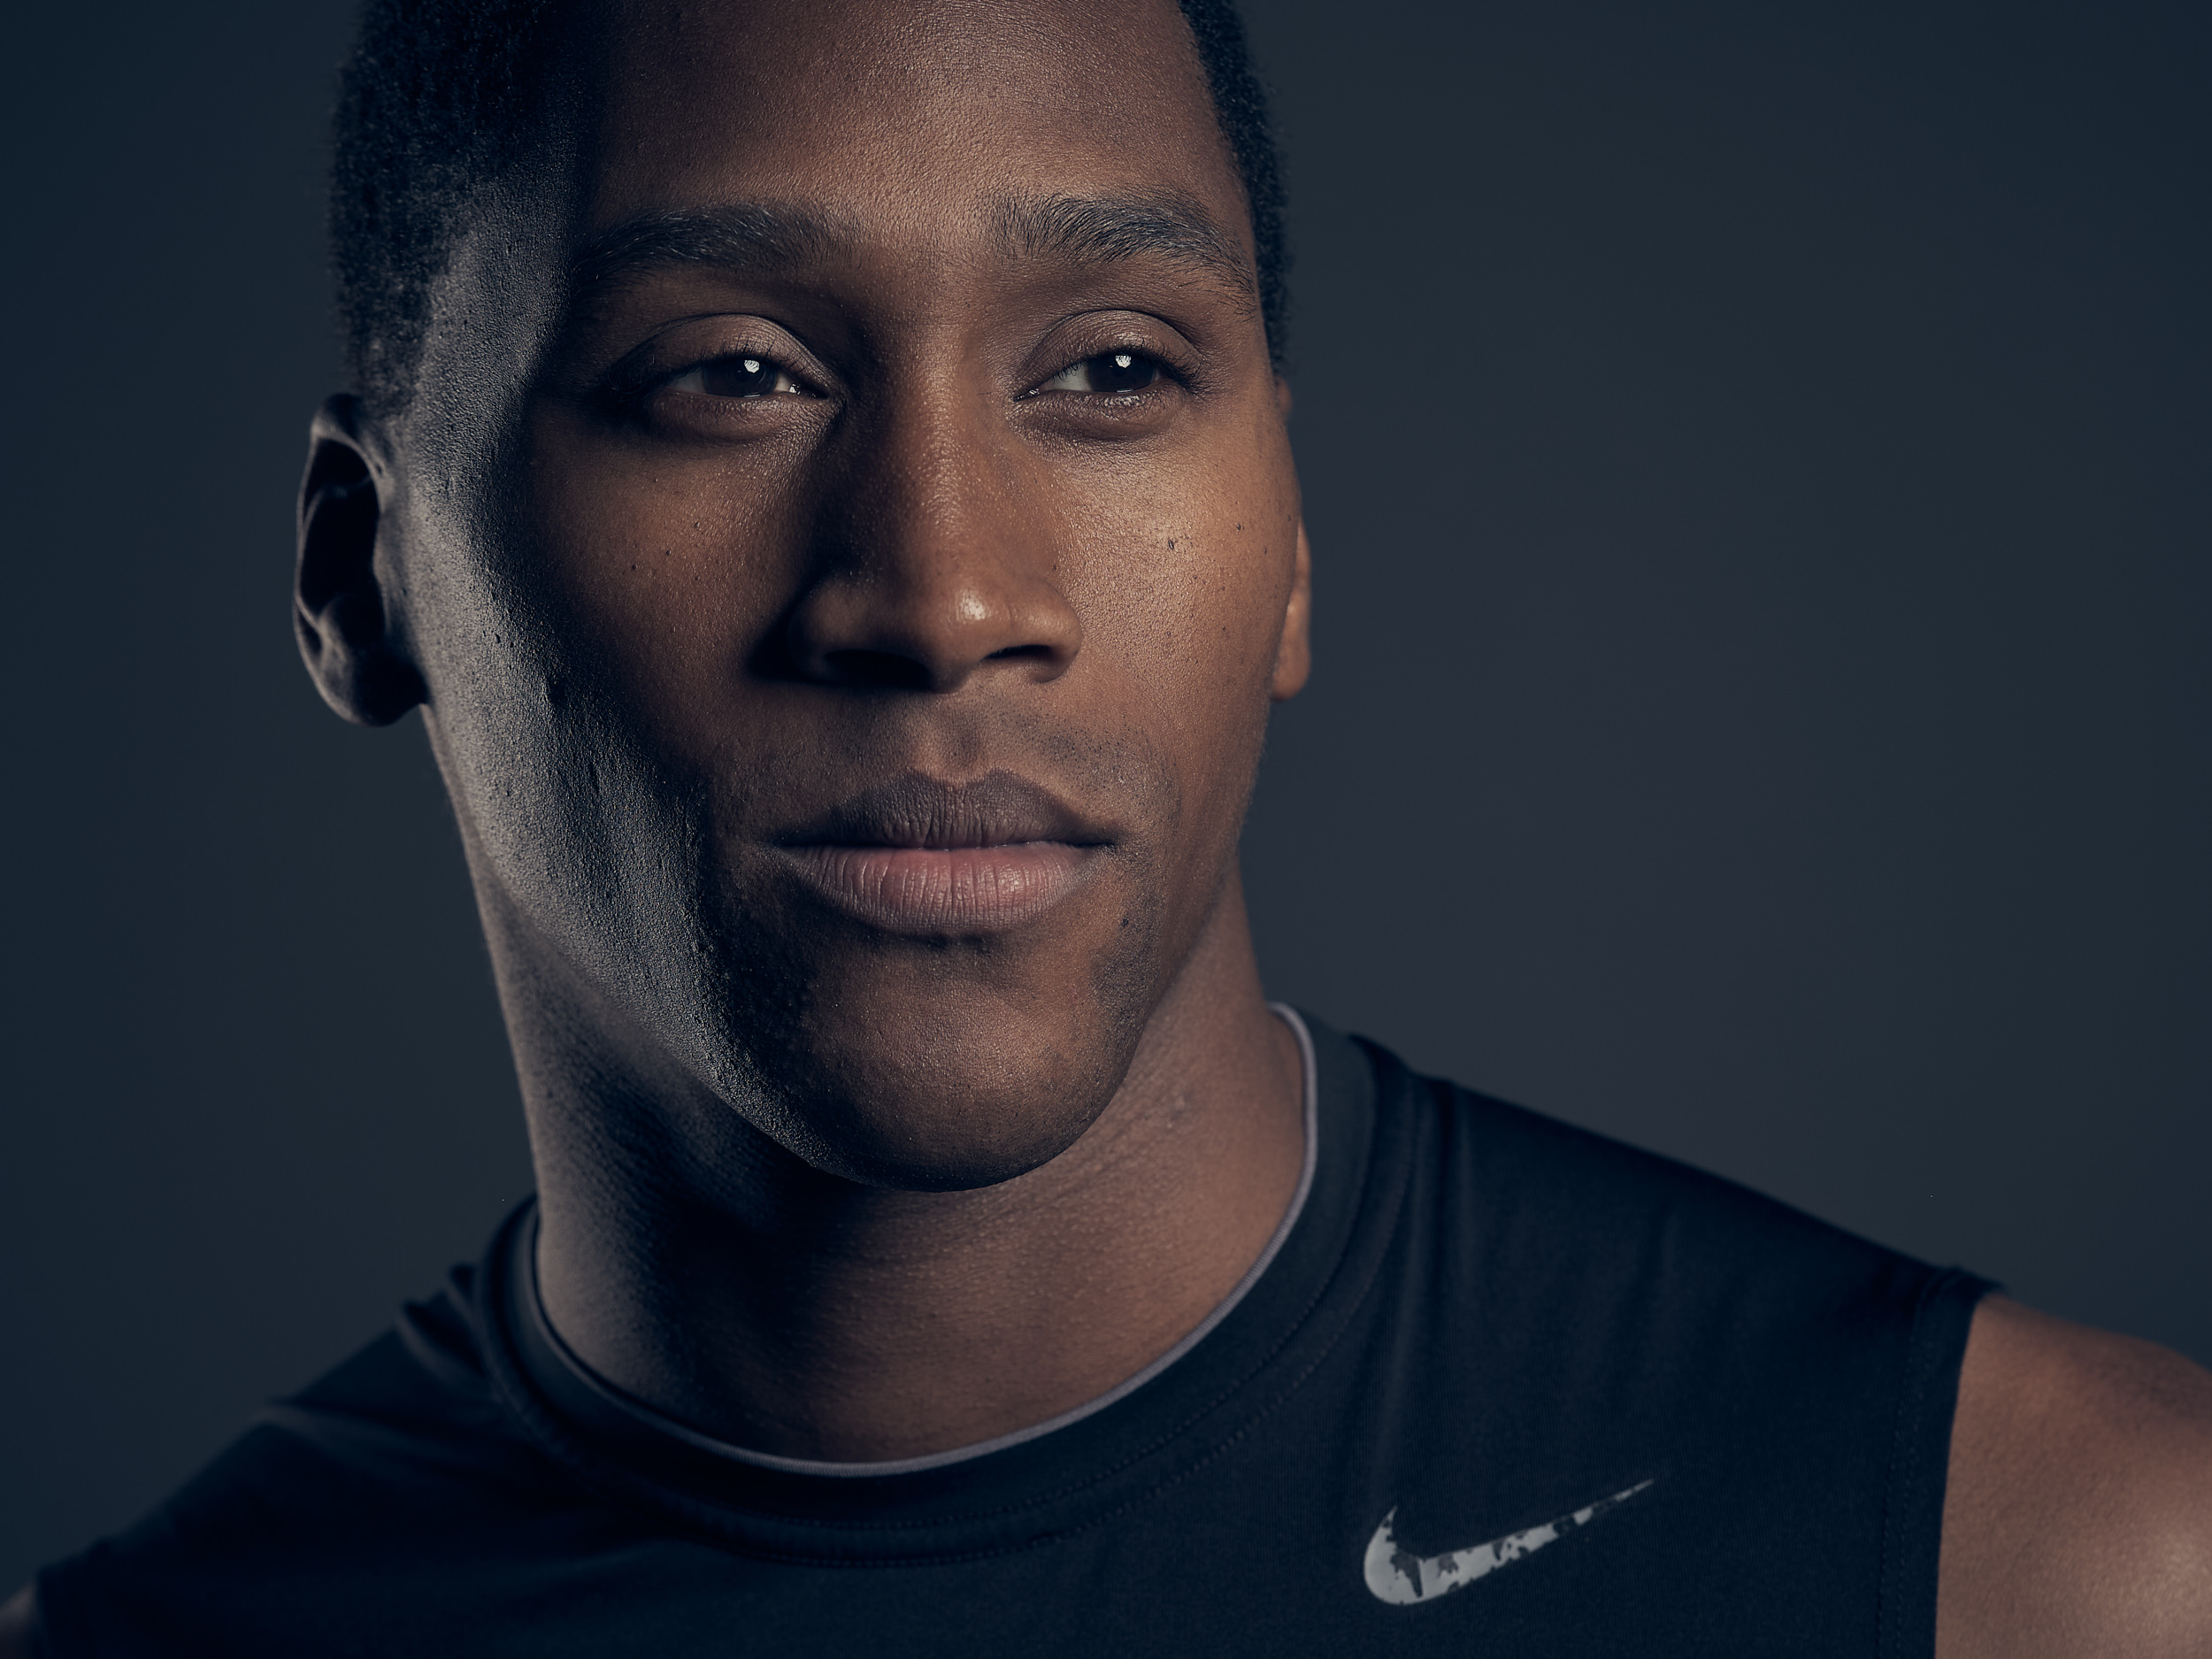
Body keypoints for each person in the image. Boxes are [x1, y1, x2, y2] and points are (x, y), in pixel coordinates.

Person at [7, 0, 2208, 1651]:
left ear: (1290, 552)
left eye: (1115, 370)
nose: (949, 590)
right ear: (354, 569)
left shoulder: (2050, 1572)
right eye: (736, 372)